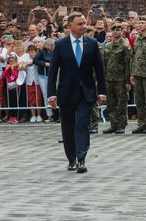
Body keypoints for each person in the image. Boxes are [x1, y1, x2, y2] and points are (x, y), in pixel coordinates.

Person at [47, 12, 106, 173]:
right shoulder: (61, 45)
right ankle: (71, 158)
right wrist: (51, 94)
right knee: (68, 127)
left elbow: (99, 70)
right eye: (79, 24)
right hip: (66, 92)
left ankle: (81, 158)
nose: (83, 27)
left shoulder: (92, 43)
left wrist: (101, 92)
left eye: (83, 24)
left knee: (82, 124)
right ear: (70, 26)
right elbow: (53, 72)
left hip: (86, 92)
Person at [101, 22, 132, 134]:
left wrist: (128, 81)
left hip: (121, 79)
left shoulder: (125, 46)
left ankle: (121, 125)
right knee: (111, 103)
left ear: (122, 31)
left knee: (121, 103)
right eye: (114, 29)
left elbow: (128, 64)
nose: (116, 31)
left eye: (118, 29)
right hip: (109, 79)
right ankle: (113, 124)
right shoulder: (108, 46)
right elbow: (104, 63)